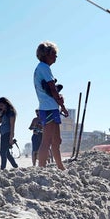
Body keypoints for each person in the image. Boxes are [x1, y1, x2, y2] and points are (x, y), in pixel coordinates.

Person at [33, 41, 70, 169]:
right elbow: (52, 89)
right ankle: (41, 168)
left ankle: (60, 166)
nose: (56, 57)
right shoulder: (44, 67)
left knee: (56, 141)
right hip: (48, 108)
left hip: (51, 107)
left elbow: (51, 90)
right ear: (46, 55)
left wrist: (60, 105)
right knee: (46, 141)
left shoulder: (41, 68)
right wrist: (62, 104)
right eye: (54, 54)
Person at [0, 97, 19, 170]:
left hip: (8, 133)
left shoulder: (11, 112)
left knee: (2, 152)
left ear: (6, 104)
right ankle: (15, 166)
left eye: (2, 105)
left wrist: (11, 138)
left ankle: (2, 168)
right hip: (3, 134)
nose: (0, 107)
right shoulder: (3, 113)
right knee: (7, 153)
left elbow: (12, 126)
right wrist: (1, 113)